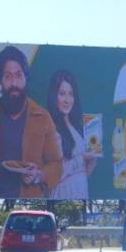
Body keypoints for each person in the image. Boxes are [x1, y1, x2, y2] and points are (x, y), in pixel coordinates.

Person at [0, 46, 63, 198]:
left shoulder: (42, 117)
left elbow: (57, 165)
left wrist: (39, 175)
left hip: (28, 203)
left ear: (25, 78)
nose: (14, 83)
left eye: (19, 75)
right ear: (0, 81)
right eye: (7, 76)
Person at [45, 69, 97, 200]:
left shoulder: (77, 128)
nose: (67, 100)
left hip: (81, 194)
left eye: (71, 94)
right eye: (62, 94)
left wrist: (91, 161)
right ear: (53, 95)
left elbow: (81, 173)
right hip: (61, 196)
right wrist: (81, 159)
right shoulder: (48, 128)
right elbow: (51, 176)